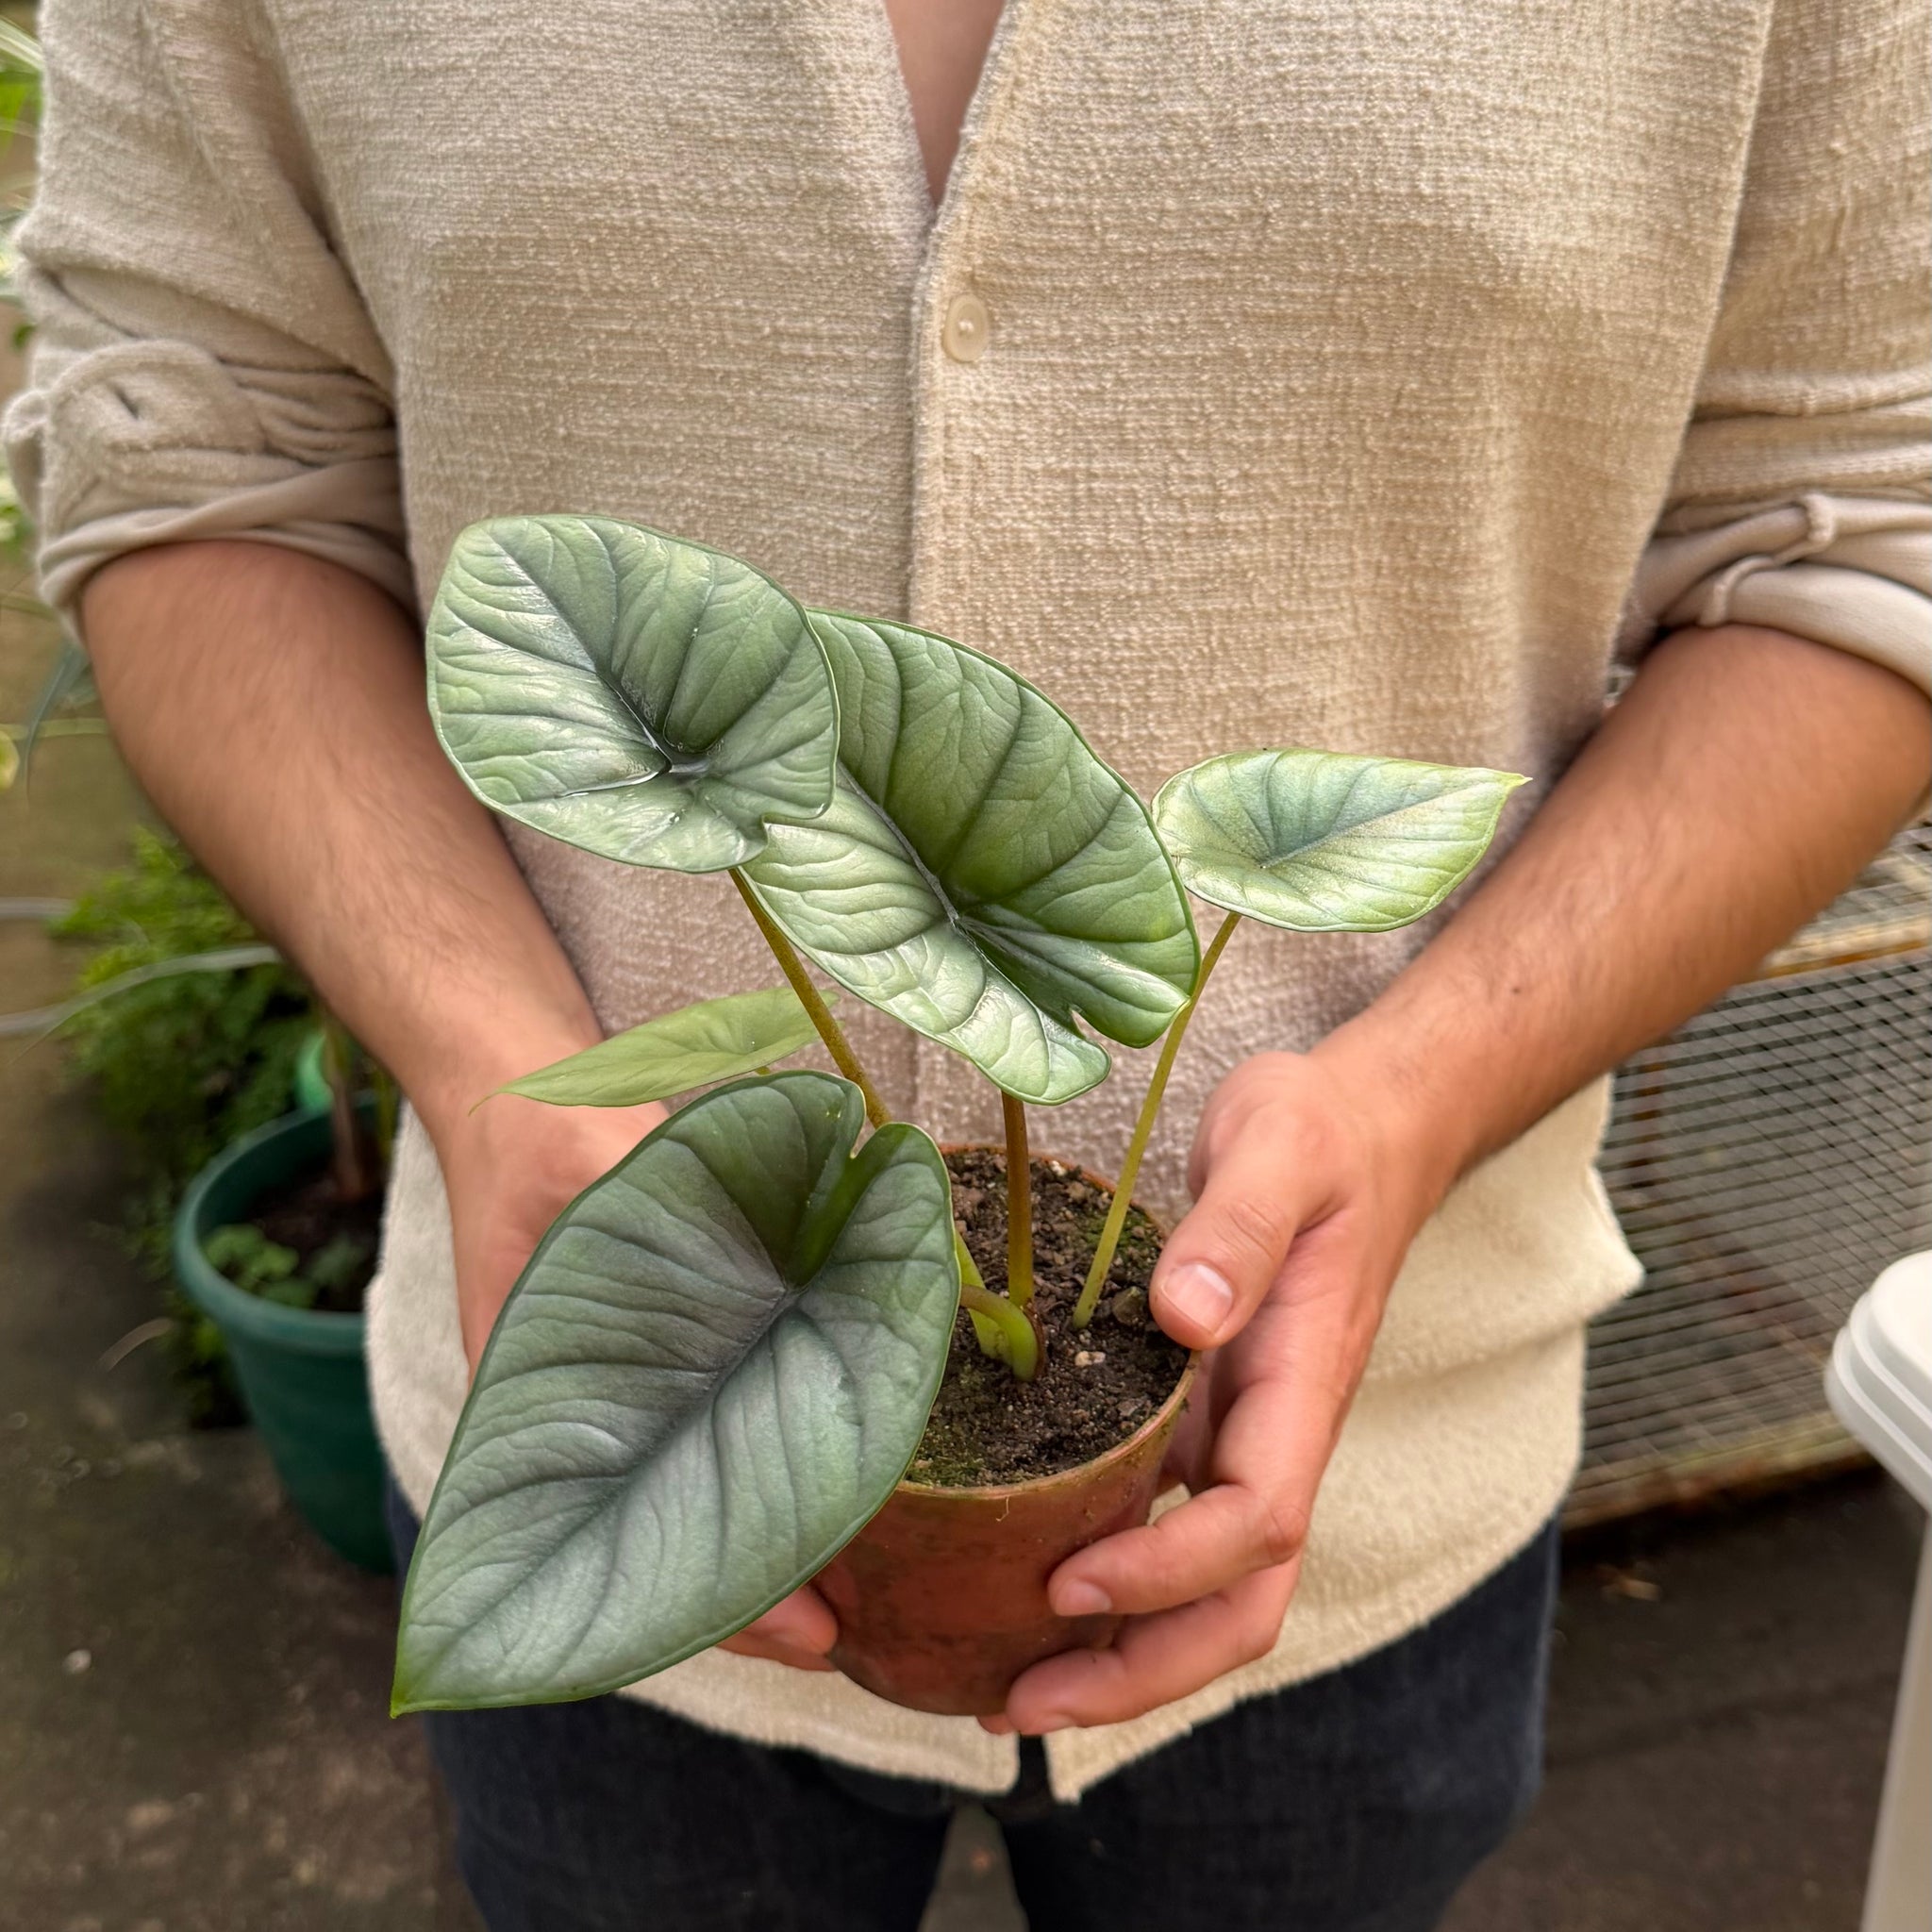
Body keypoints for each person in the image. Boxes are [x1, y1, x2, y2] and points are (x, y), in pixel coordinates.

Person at [10, 1, 1927, 1925]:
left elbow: (1868, 518)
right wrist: (488, 1049)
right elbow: (181, 451)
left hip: (1381, 1471)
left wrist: (1416, 1094)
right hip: (623, 1402)